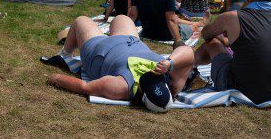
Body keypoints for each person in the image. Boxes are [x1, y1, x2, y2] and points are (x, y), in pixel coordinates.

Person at [45, 16, 195, 112]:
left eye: (149, 82)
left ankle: (65, 54)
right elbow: (187, 52)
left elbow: (84, 87)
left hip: (99, 50)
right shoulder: (173, 81)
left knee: (81, 21)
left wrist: (56, 78)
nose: (152, 76)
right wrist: (169, 62)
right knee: (122, 17)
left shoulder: (122, 87)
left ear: (143, 97)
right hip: (130, 40)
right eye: (158, 80)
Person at [193, 0, 271, 104]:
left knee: (212, 43)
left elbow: (206, 34)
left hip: (242, 90)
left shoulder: (232, 17)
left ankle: (186, 67)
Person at [129, 0, 198, 48]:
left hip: (146, 32)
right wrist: (178, 40)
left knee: (179, 21)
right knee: (192, 27)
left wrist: (124, 31)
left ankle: (196, 23)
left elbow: (133, 15)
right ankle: (196, 24)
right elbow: (171, 20)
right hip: (165, 35)